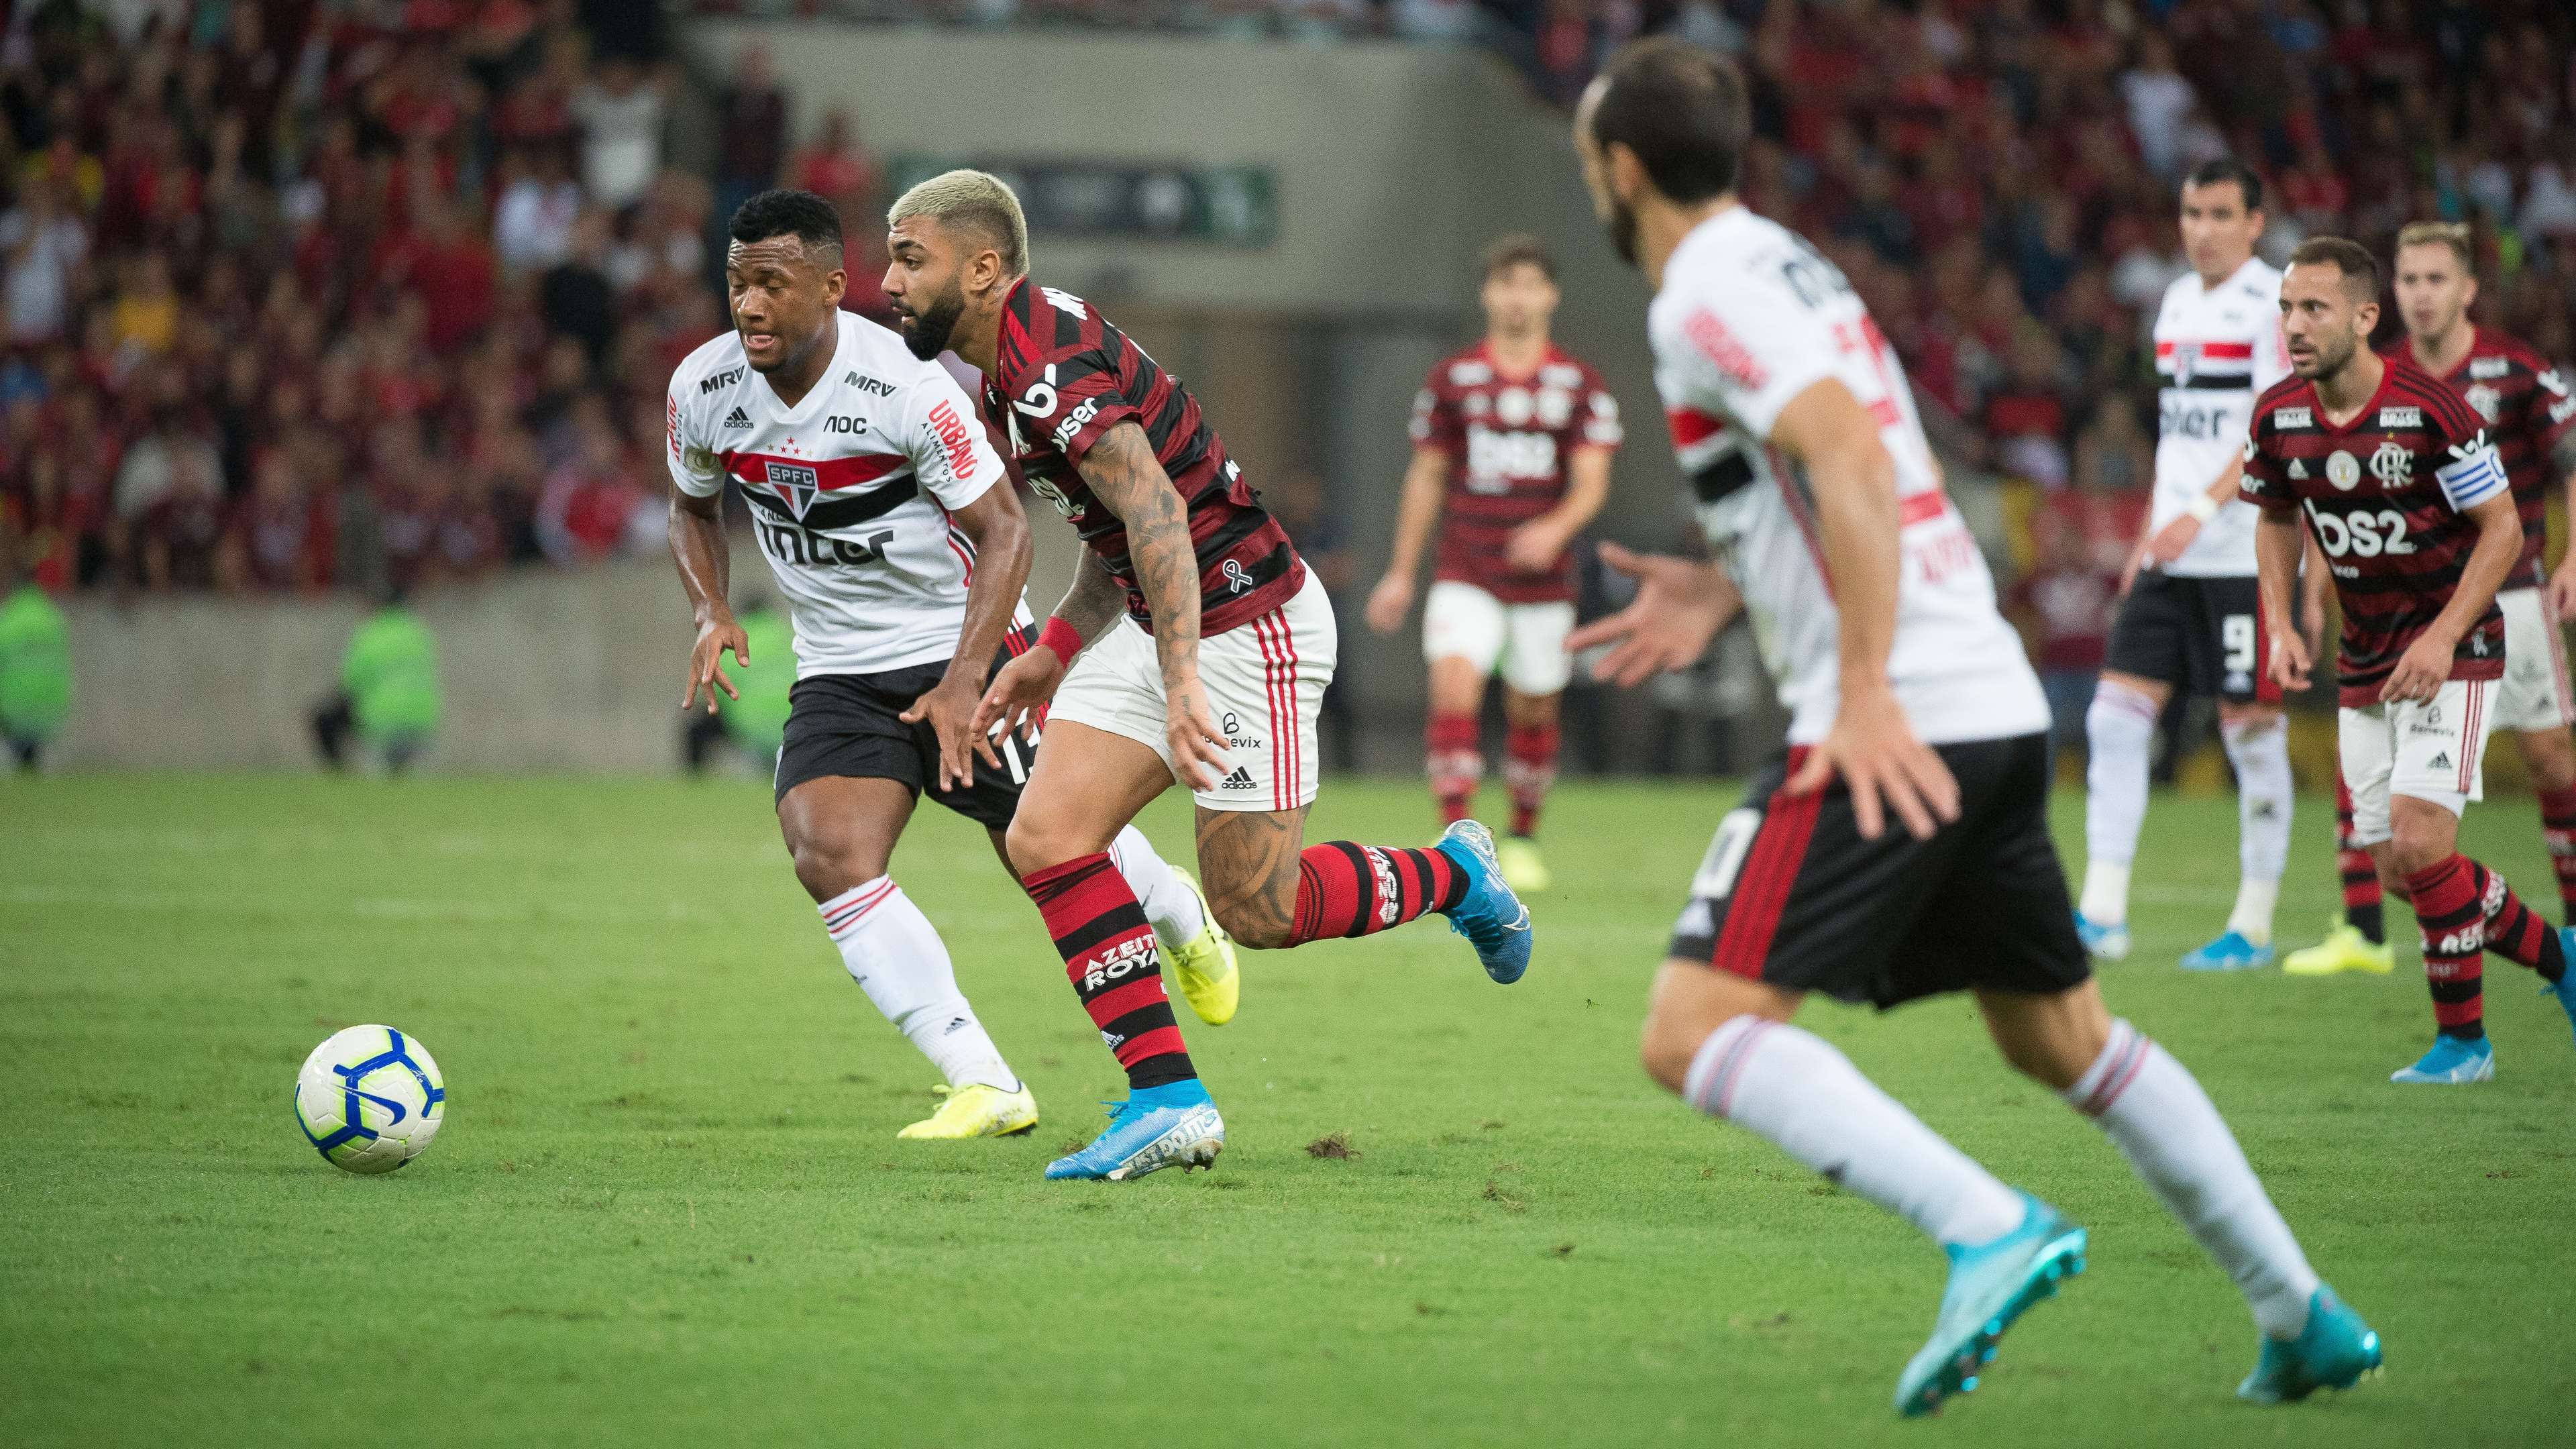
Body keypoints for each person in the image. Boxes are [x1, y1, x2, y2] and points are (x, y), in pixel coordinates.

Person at [1567, 40, 2379, 1417]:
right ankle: (2298, 1311)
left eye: (1591, 155)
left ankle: (1987, 1227)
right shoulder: (1782, 259)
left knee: (1692, 1026)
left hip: (1907, 711)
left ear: (1623, 169)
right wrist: (1730, 583)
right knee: (2062, 1038)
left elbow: (1843, 450)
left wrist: (1865, 686)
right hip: (1992, 700)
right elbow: (1845, 463)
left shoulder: (1698, 289)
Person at [880, 170, 1532, 1183]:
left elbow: (1159, 517)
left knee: (1257, 911)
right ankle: (1167, 1100)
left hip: (1248, 623)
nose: (889, 281)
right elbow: (1118, 530)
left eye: (908, 258)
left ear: (983, 267)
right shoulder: (1010, 368)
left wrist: (1182, 680)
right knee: (1046, 836)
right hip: (1168, 618)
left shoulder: (1041, 365)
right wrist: (1057, 647)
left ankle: (1458, 875)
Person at [666, 190, 1232, 1142]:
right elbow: (691, 505)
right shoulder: (703, 389)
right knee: (826, 851)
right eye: (736, 284)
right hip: (840, 667)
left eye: (772, 283)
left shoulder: (904, 387)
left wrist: (969, 675)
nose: (750, 305)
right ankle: (984, 1079)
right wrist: (710, 607)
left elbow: (1005, 530)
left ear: (833, 289)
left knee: (1045, 845)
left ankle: (1179, 911)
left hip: (961, 644)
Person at [2245, 235, 2576, 1083]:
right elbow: (2277, 517)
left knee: (2428, 843)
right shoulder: (2279, 414)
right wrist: (2282, 619)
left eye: (2313, 308)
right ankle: (2564, 963)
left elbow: (2502, 529)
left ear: (2364, 316)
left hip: (2452, 644)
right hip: (2366, 658)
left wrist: (2440, 636)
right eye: (2286, 308)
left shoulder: (2432, 409)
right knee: (2401, 870)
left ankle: (2464, 1044)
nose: (2294, 325)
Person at [2077, 159, 2314, 972]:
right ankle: (2101, 913)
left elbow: (2272, 432)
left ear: (2254, 222)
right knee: (2112, 718)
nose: (2201, 229)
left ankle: (2251, 925)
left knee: (2249, 731)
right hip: (2171, 551)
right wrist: (2152, 526)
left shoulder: (2272, 307)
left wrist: (2201, 513)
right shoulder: (2175, 303)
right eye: (2190, 213)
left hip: (2246, 552)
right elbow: (2182, 436)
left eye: (2219, 214)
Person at [1364, 233, 1622, 893]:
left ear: (1551, 295)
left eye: (1530, 284)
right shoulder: (1453, 380)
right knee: (1454, 686)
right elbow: (1426, 476)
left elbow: (1592, 480)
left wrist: (1555, 526)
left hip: (1544, 584)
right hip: (1466, 568)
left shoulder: (1578, 384)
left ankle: (1523, 835)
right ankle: (1457, 838)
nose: (1518, 297)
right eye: (1506, 283)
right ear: (1488, 293)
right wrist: (1401, 572)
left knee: (1533, 709)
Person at [313, 589, 440, 774]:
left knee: (324, 719)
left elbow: (350, 684)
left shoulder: (370, 634)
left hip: (381, 719)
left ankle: (340, 775)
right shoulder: (419, 633)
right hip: (423, 720)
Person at [682, 596, 792, 774]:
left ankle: (695, 785)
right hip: (791, 723)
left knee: (696, 730)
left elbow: (716, 693)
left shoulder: (734, 640)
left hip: (748, 726)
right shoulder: (787, 635)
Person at [0, 573, 71, 770]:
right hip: (49, 701)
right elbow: (62, 662)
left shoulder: (8, 618)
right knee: (35, 756)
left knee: (17, 756)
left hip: (14, 700)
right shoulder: (52, 617)